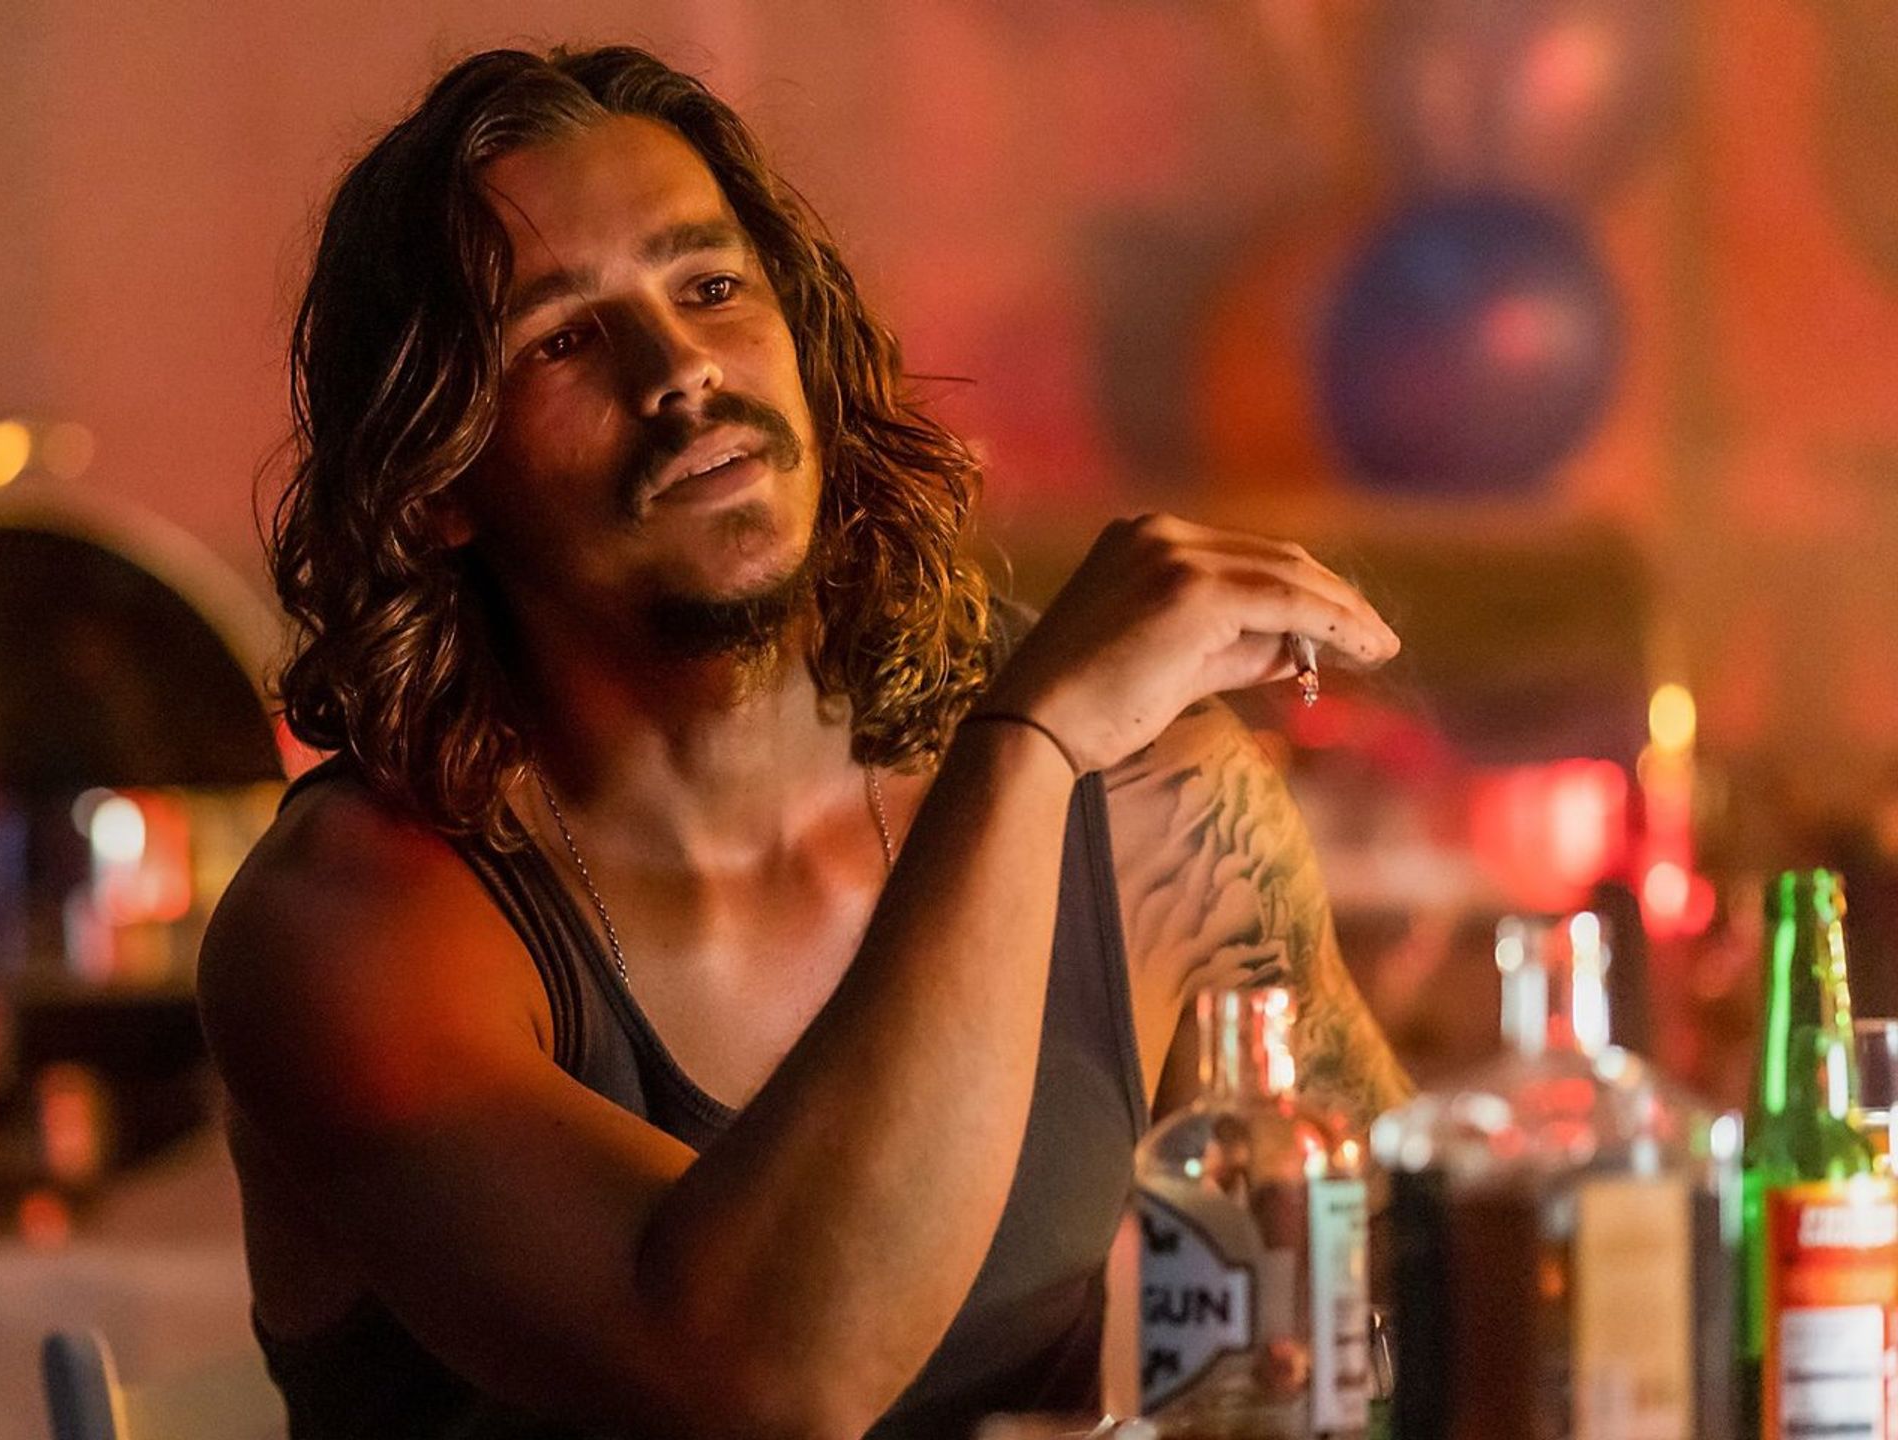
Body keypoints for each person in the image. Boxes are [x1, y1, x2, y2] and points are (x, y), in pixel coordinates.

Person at [198, 44, 1410, 1440]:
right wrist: (1022, 750)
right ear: (437, 478)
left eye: (713, 288)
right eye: (562, 340)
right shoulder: (350, 928)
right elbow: (768, 1385)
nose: (682, 370)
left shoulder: (1155, 811)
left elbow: (1401, 1279)